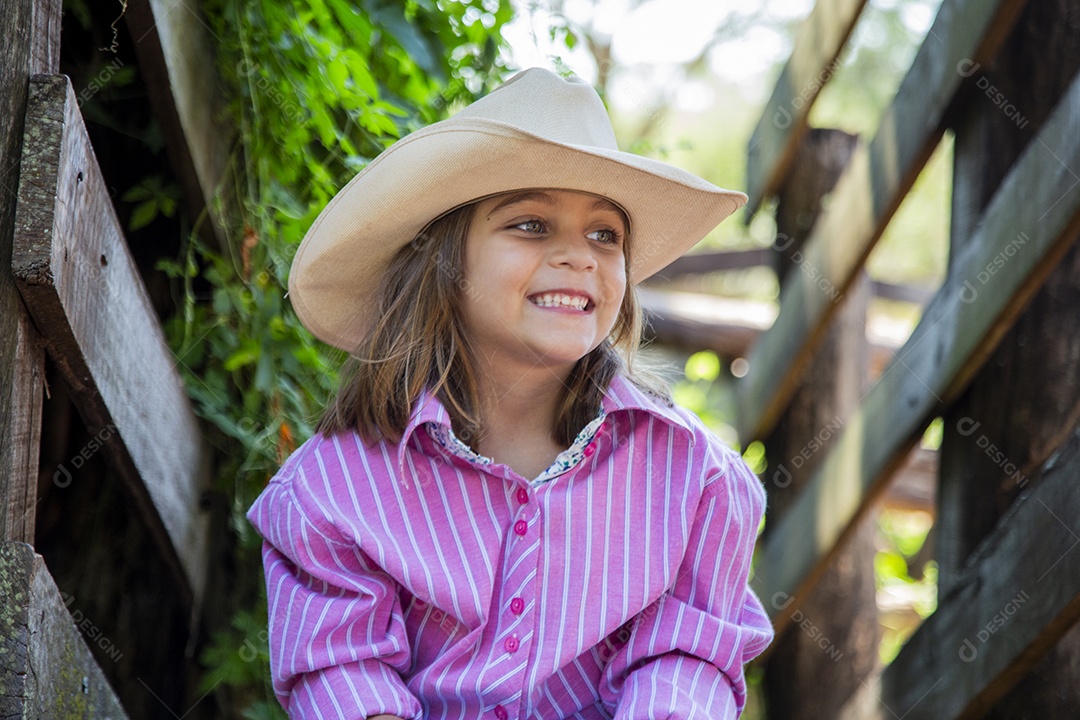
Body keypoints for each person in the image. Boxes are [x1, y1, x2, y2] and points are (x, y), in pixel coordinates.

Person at [247, 67, 774, 720]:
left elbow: (686, 661)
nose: (579, 255)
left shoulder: (697, 481)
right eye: (530, 224)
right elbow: (343, 676)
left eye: (605, 234)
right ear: (442, 265)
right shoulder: (332, 491)